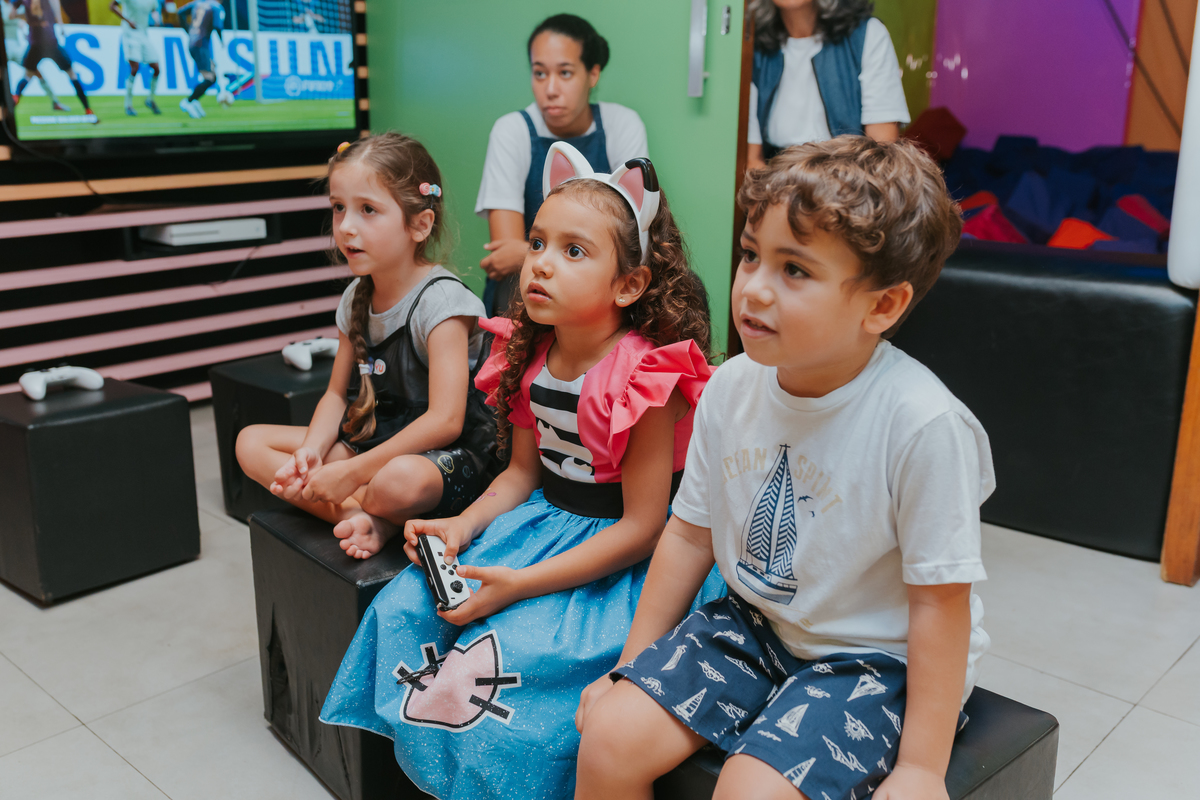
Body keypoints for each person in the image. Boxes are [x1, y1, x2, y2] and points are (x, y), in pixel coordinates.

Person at [575, 137, 991, 800]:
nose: (753, 289)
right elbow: (687, 534)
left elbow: (941, 601)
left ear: (881, 306)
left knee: (749, 792)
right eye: (750, 255)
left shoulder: (923, 425)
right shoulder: (731, 386)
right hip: (755, 623)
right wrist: (632, 667)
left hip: (873, 660)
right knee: (609, 736)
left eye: (794, 270)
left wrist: (920, 769)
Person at [320, 142, 726, 799]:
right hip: (540, 526)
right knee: (403, 607)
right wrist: (460, 523)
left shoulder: (647, 377)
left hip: (617, 565)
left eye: (574, 252)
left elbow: (648, 527)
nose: (539, 264)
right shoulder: (527, 356)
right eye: (537, 242)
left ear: (629, 284)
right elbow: (517, 478)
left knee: (515, 661)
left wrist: (521, 584)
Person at [236, 133, 494, 560]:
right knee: (251, 442)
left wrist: (350, 472)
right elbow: (337, 394)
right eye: (339, 208)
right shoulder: (355, 296)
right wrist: (312, 453)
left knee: (398, 481)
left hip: (443, 458)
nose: (346, 226)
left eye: (368, 210)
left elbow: (446, 421)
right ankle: (377, 518)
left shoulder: (443, 302)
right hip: (373, 442)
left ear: (419, 224)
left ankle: (374, 510)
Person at [475, 13, 648, 316]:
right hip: (530, 288)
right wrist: (576, 255)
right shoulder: (512, 130)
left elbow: (634, 241)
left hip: (597, 290)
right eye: (540, 74)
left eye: (565, 73)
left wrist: (525, 250)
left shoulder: (622, 124)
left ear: (593, 74)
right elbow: (506, 253)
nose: (551, 89)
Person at [747, 0, 909, 169]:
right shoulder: (750, 45)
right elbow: (751, 161)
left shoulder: (868, 34)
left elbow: (881, 152)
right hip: (775, 180)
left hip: (850, 180)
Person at [10, 0, 96, 121]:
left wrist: (28, 18)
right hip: (50, 41)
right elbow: (56, 10)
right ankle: (87, 109)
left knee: (27, 75)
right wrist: (61, 25)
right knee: (72, 74)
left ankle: (13, 103)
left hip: (34, 43)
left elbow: (12, 15)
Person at [110, 0, 163, 116]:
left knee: (157, 68)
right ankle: (128, 105)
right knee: (135, 68)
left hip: (143, 34)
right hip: (130, 35)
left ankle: (150, 99)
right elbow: (112, 6)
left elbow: (154, 10)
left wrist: (157, 19)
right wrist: (127, 21)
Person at [175, 0, 224, 118]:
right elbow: (218, 26)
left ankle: (194, 100)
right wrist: (223, 41)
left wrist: (188, 30)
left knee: (213, 75)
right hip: (201, 45)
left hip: (193, 42)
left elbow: (180, 12)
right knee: (210, 78)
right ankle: (189, 101)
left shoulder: (197, 3)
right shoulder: (216, 7)